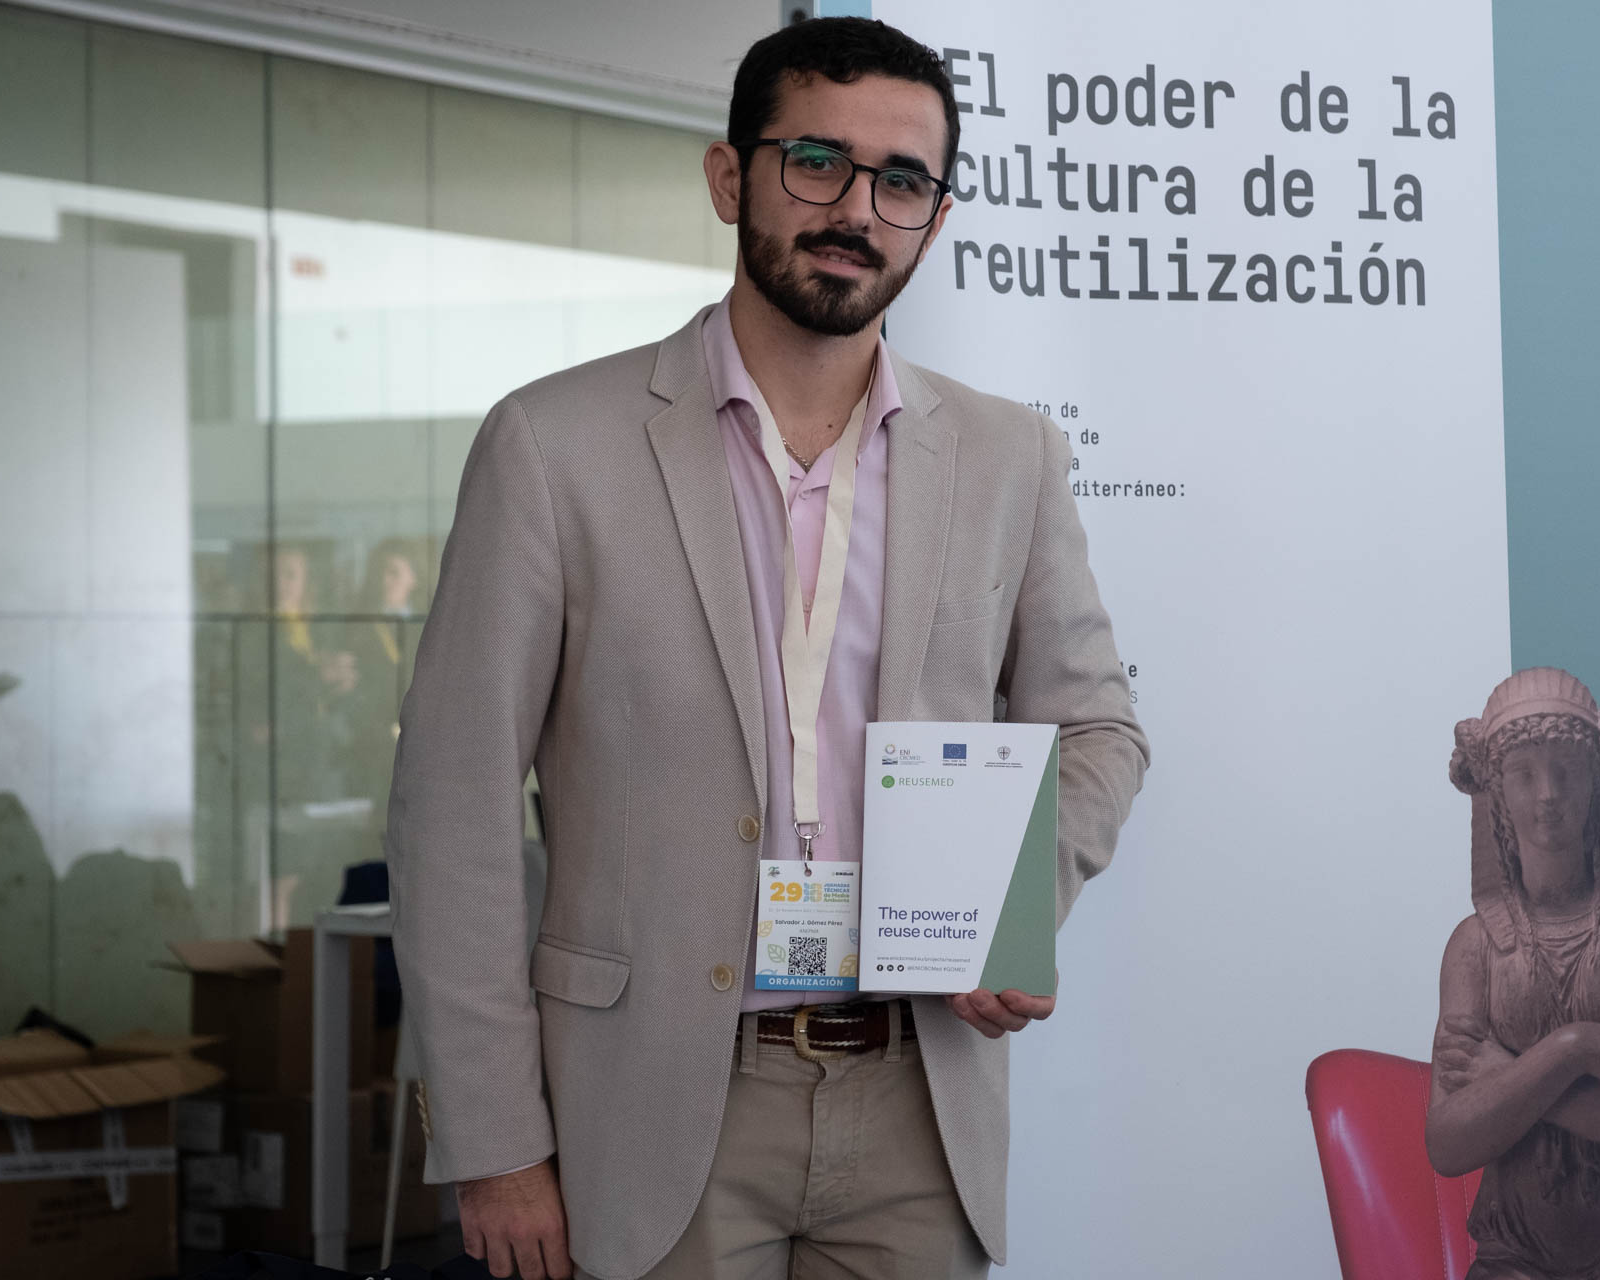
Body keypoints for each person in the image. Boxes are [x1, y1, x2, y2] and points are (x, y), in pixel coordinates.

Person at [386, 17, 1147, 1280]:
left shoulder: (1010, 454)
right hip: (648, 1104)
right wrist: (494, 1138)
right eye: (817, 161)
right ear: (730, 177)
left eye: (901, 181)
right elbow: (453, 803)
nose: (857, 209)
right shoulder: (553, 445)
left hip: (919, 1099)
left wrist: (1002, 906)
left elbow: (1099, 729)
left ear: (936, 221)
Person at [1428, 668, 1600, 1280]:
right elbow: (1446, 1144)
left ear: (1595, 785)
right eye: (1524, 774)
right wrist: (1575, 1050)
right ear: (1498, 793)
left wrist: (1508, 1079)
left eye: (1567, 771)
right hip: (1512, 1256)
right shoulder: (1474, 948)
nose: (1547, 793)